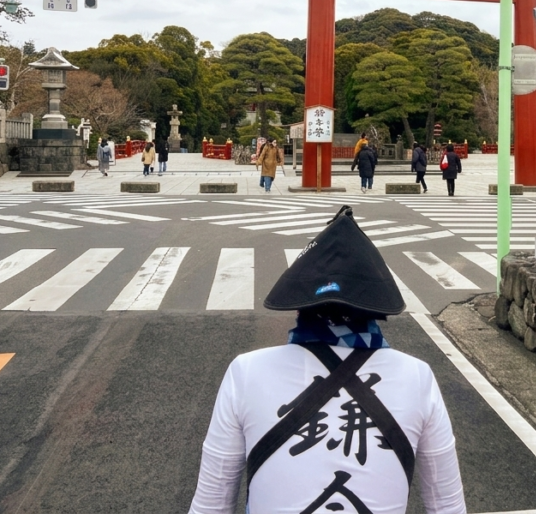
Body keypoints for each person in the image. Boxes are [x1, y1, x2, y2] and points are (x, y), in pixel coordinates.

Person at [188, 206, 467, 514]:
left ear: (300, 306)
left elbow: (211, 506)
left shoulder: (246, 373)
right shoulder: (418, 378)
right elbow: (447, 507)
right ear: (375, 310)